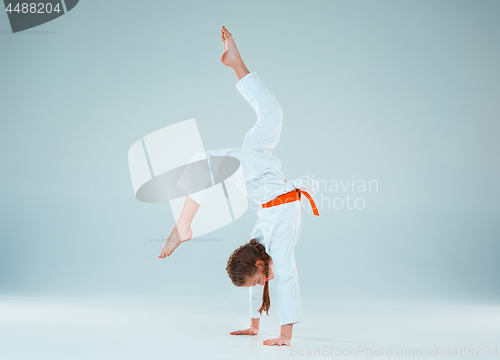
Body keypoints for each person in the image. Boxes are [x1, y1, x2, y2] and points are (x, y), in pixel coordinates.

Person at [158, 26, 319, 347]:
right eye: (262, 281)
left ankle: (235, 62)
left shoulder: (261, 243)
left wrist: (256, 326)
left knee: (271, 113)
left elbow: (276, 280)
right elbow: (282, 279)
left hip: (262, 178)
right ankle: (183, 225)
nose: (266, 281)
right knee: (204, 161)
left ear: (258, 262)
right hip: (266, 181)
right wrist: (281, 334)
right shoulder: (277, 244)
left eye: (261, 278)